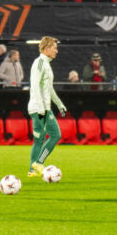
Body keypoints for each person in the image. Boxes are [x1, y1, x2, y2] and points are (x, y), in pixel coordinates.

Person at [27, 36, 67, 177]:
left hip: (44, 107)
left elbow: (49, 89)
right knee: (54, 135)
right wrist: (41, 109)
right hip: (39, 108)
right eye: (54, 48)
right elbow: (35, 86)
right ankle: (37, 164)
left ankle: (33, 169)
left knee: (41, 138)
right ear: (46, 48)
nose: (56, 51)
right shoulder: (39, 63)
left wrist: (60, 104)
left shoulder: (46, 64)